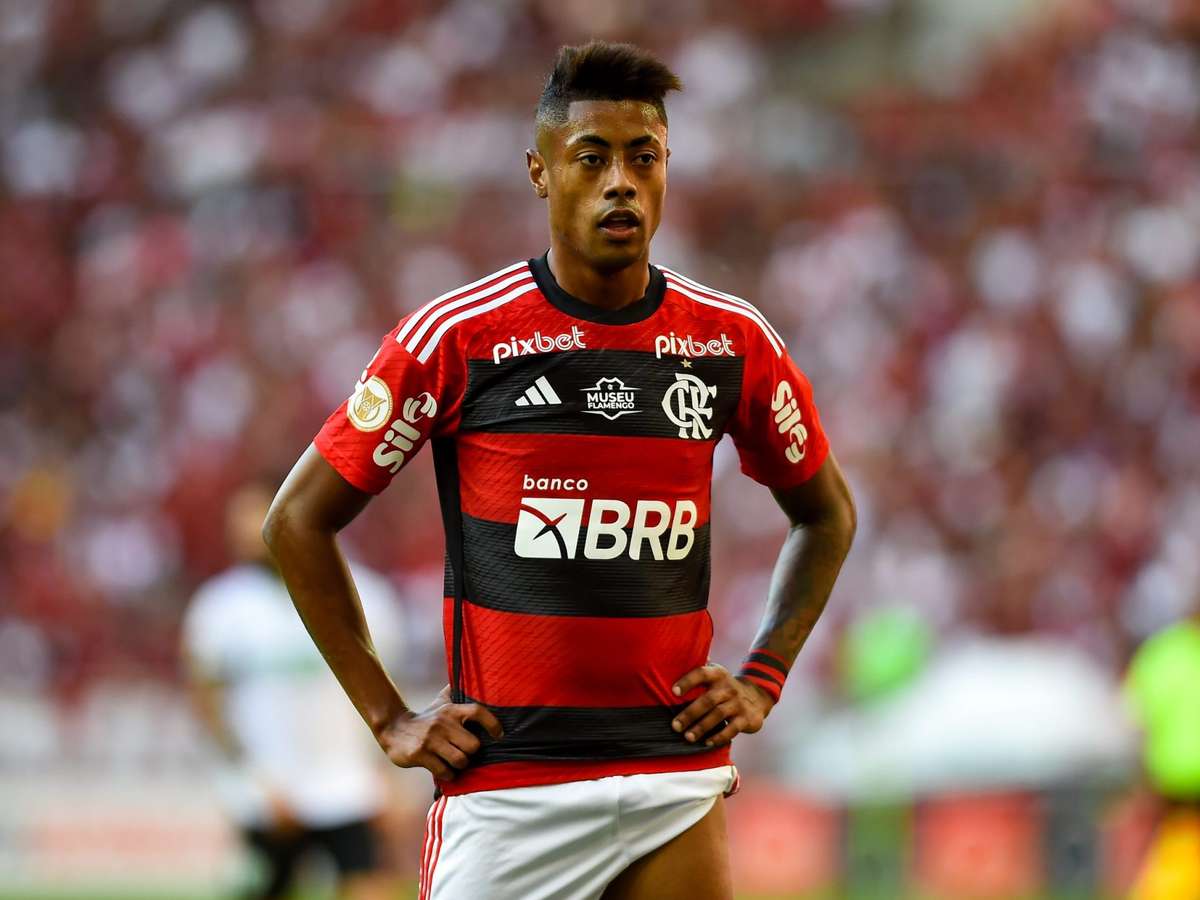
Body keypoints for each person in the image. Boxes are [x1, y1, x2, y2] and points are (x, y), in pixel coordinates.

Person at [263, 41, 856, 900]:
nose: (622, 182)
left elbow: (826, 513)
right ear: (540, 172)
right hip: (511, 790)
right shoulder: (458, 337)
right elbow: (297, 521)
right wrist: (388, 718)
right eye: (592, 158)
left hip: (671, 777)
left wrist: (764, 677)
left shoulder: (730, 340)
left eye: (644, 158)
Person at [183, 482, 404, 900]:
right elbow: (208, 704)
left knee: (371, 887)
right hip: (268, 792)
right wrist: (248, 779)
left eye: (253, 518)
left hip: (348, 785)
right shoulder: (219, 608)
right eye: (237, 523)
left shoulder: (367, 596)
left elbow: (392, 690)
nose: (244, 534)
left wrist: (388, 775)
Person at [1124, 613, 1200, 900]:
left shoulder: (1162, 652)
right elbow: (1140, 724)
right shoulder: (1163, 653)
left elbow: (1138, 723)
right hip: (1177, 786)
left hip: (1172, 783)